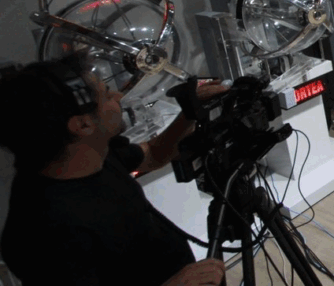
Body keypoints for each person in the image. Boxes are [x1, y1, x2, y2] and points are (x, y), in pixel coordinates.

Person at [0, 55, 228, 286]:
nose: (118, 97)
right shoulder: (45, 233)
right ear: (82, 124)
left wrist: (189, 111)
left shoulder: (90, 156)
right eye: (107, 95)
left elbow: (153, 153)